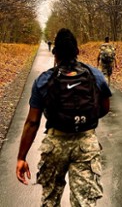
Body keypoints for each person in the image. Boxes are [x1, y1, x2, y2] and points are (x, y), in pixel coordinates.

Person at [16, 28, 112, 206]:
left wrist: (21, 157)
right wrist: (84, 119)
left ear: (55, 53)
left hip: (55, 144)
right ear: (77, 51)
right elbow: (105, 108)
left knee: (50, 199)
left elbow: (32, 122)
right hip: (86, 144)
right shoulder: (95, 75)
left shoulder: (44, 80)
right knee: (84, 202)